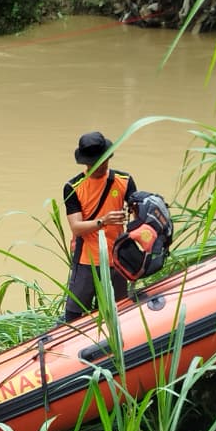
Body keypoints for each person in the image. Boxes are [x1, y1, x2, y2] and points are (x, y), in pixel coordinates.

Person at [62, 130, 138, 322]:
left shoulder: (124, 181)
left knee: (118, 311)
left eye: (104, 160)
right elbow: (76, 227)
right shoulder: (73, 187)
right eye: (96, 162)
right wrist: (103, 221)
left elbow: (137, 216)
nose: (102, 165)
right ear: (86, 163)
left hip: (116, 259)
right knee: (74, 315)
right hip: (86, 260)